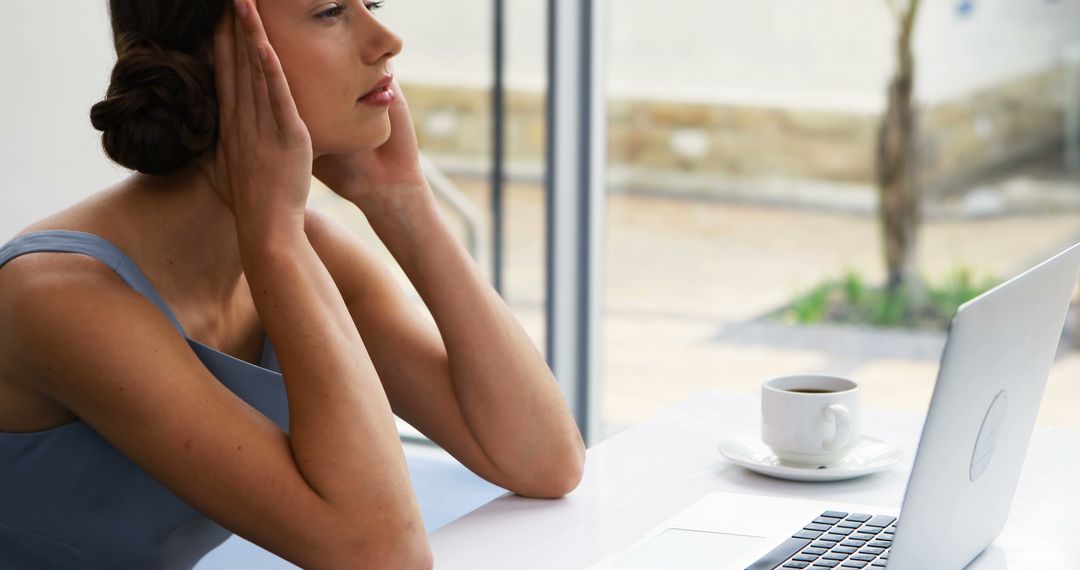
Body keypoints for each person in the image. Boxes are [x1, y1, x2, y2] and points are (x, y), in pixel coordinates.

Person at [0, 0, 585, 567]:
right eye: (330, 11)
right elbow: (381, 553)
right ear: (219, 56)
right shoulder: (59, 296)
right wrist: (275, 240)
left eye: (370, 3)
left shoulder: (305, 251)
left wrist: (403, 203)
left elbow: (544, 460)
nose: (387, 41)